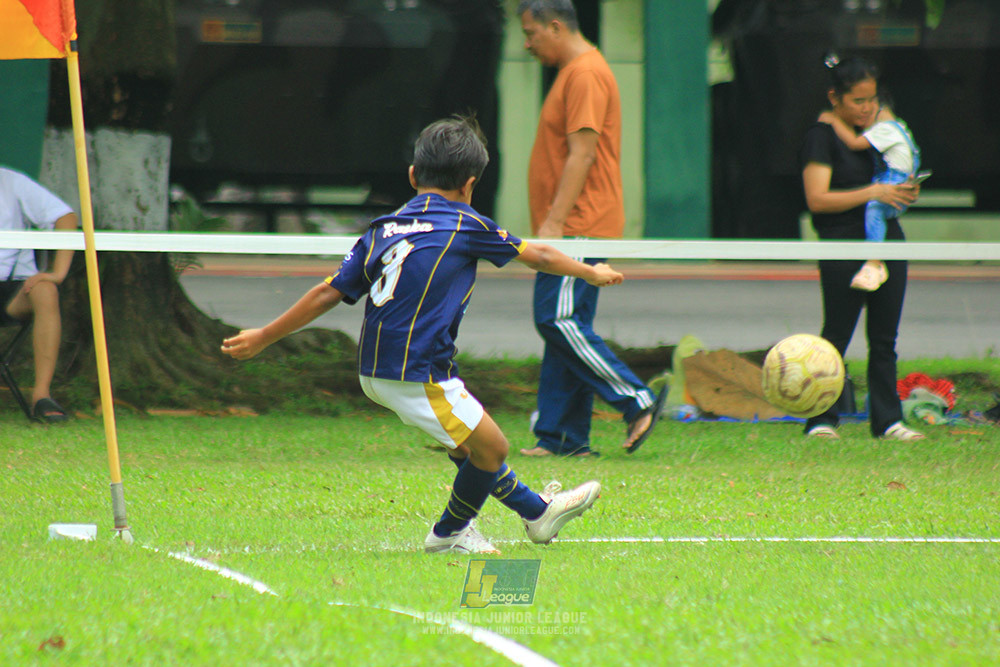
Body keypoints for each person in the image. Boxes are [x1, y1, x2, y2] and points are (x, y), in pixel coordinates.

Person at [221, 116, 608, 554]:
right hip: (415, 371)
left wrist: (264, 336)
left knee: (468, 448)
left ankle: (536, 511)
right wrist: (589, 271)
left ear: (411, 176)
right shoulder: (466, 223)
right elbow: (535, 253)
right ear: (470, 184)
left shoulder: (383, 229)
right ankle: (449, 533)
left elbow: (327, 292)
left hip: (379, 368)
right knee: (492, 449)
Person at [517, 0, 666, 458]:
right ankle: (563, 437)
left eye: (532, 33)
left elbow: (582, 153)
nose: (527, 44)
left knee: (556, 319)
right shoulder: (576, 71)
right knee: (567, 323)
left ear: (556, 27)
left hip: (579, 224)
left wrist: (555, 221)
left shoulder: (584, 73)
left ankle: (636, 400)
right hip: (577, 224)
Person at [799, 56, 924, 441]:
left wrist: (902, 193)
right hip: (842, 242)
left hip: (887, 240)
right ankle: (821, 419)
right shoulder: (821, 137)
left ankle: (888, 420)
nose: (867, 108)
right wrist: (873, 192)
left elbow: (895, 178)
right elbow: (817, 199)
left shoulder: (880, 132)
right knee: (835, 334)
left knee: (885, 339)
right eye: (858, 101)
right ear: (835, 97)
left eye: (872, 100)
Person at [819, 89, 921, 291]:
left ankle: (874, 263)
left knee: (874, 209)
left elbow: (854, 143)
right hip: (899, 178)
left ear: (879, 108)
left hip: (893, 178)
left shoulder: (886, 128)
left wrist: (832, 120)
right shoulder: (901, 127)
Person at [0, 166, 77, 423]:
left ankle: (41, 396)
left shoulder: (11, 181)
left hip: (11, 287)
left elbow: (64, 216)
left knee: (45, 291)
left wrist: (57, 273)